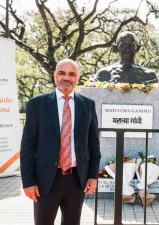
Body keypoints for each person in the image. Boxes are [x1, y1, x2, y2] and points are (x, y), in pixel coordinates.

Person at [20, 59, 101, 225]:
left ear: (78, 78)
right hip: (46, 180)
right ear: (54, 76)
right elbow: (27, 146)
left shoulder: (88, 105)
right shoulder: (37, 104)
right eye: (62, 73)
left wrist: (93, 176)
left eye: (72, 74)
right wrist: (28, 181)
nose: (67, 78)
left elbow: (94, 145)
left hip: (77, 180)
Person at [89, 31, 158, 84]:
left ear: (137, 48)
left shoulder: (149, 76)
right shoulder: (103, 74)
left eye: (131, 46)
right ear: (116, 48)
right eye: (123, 46)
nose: (127, 49)